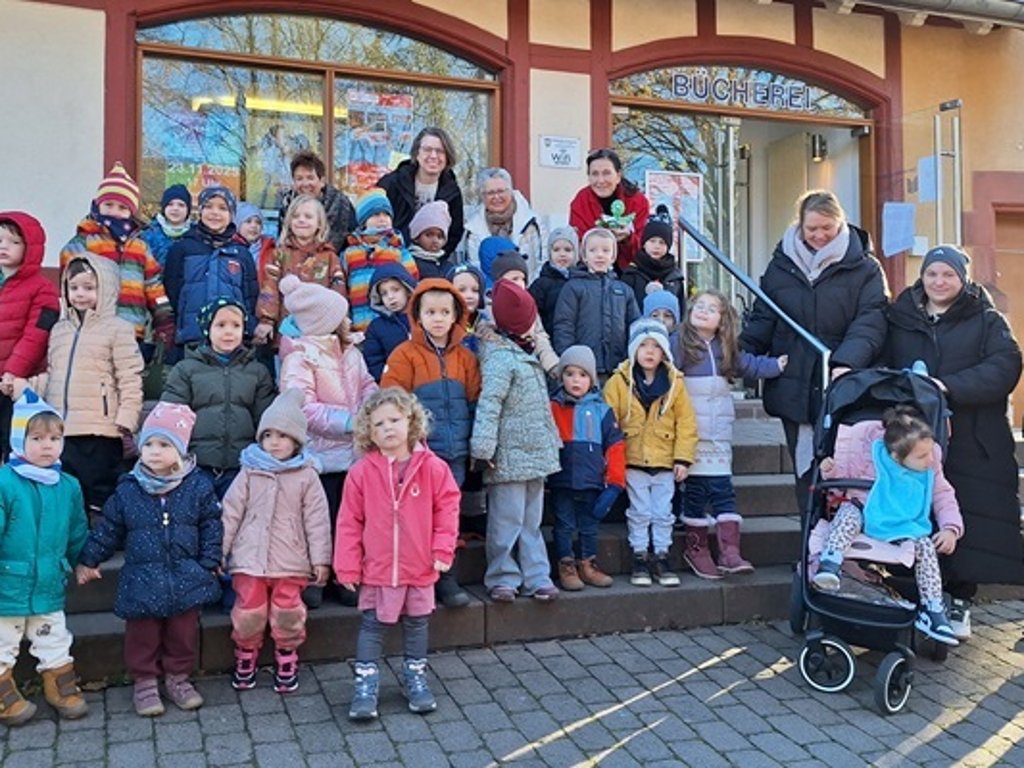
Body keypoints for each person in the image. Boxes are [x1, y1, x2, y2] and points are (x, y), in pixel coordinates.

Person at [884, 244, 1024, 640]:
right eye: (932, 274)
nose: (939, 281)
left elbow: (1005, 366)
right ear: (922, 277)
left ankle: (960, 599)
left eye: (948, 275)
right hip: (915, 437)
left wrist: (947, 387)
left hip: (973, 441)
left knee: (967, 522)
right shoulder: (900, 317)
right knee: (917, 517)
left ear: (963, 279)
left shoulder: (987, 319)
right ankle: (920, 598)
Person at [739, 190, 887, 513]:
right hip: (794, 385)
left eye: (827, 227)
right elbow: (765, 317)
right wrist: (738, 353)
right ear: (800, 225)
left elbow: (871, 320)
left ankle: (841, 539)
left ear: (841, 223)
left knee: (845, 470)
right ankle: (810, 540)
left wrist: (846, 361)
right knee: (805, 473)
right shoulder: (781, 265)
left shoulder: (865, 268)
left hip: (843, 385)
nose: (819, 235)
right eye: (812, 229)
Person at [76, 402, 223, 717]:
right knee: (142, 635)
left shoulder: (197, 486)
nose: (154, 452)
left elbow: (211, 525)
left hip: (186, 577)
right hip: (142, 579)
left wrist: (208, 563)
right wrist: (90, 559)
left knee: (183, 633)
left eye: (164, 445)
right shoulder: (129, 490)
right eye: (149, 444)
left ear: (181, 450)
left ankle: (178, 678)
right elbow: (109, 529)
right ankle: (144, 681)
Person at [335, 388, 460, 721]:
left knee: (417, 624)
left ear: (411, 421)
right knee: (372, 625)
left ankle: (415, 677)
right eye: (378, 424)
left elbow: (448, 510)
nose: (387, 428)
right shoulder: (361, 473)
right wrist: (347, 565)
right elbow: (349, 521)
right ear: (369, 432)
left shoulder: (434, 468)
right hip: (378, 568)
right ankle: (365, 684)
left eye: (394, 419)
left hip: (419, 565)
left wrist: (442, 548)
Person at [812, 407, 963, 646]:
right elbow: (844, 478)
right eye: (921, 456)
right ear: (896, 457)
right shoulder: (874, 457)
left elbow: (943, 496)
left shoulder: (930, 466)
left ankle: (932, 609)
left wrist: (950, 528)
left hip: (905, 524)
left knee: (925, 545)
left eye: (929, 453)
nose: (930, 460)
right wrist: (831, 471)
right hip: (867, 514)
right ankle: (830, 562)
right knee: (849, 511)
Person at [221, 389, 332, 693]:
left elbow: (317, 520)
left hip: (291, 559)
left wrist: (320, 559)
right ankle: (246, 652)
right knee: (248, 610)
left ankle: (287, 653)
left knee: (288, 611)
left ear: (297, 441)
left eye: (282, 435)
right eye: (268, 435)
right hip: (250, 558)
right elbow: (230, 512)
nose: (274, 442)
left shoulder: (307, 476)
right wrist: (221, 550)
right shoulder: (249, 471)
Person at [278, 275, 377, 606]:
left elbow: (367, 384)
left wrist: (372, 408)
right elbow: (302, 407)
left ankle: (346, 575)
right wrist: (349, 422)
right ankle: (315, 577)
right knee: (320, 520)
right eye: (341, 316)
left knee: (351, 520)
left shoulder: (351, 352)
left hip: (354, 453)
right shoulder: (301, 357)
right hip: (320, 457)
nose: (347, 320)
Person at [381, 279, 481, 608]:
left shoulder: (465, 358)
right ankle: (417, 576)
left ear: (455, 316)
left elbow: (474, 402)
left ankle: (446, 573)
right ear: (418, 316)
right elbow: (392, 401)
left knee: (448, 515)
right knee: (417, 516)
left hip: (455, 453)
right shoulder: (405, 355)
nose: (438, 319)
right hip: (421, 454)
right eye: (430, 312)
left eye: (444, 312)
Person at [673, 290, 785, 579]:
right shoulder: (680, 344)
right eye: (699, 306)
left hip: (719, 434)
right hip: (691, 435)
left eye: (712, 309)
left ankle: (730, 552)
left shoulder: (726, 349)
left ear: (722, 320)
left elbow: (750, 364)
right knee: (696, 492)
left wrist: (777, 365)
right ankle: (696, 549)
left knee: (723, 491)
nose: (703, 310)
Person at [0, 390, 89, 726]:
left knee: (53, 637)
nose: (47, 446)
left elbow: (77, 529)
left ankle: (60, 687)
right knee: (3, 641)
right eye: (36, 439)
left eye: (54, 438)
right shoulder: (5, 482)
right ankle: (4, 696)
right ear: (19, 440)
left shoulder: (68, 486)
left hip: (49, 581)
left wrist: (83, 560)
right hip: (7, 583)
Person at [471, 281, 562, 602]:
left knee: (531, 521)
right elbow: (489, 404)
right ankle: (503, 576)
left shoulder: (526, 350)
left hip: (535, 453)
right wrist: (483, 448)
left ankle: (537, 575)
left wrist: (552, 441)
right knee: (506, 521)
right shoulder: (500, 357)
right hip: (508, 456)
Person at [44, 255, 144, 521]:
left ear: (106, 289)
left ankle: (100, 538)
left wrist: (127, 419)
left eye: (89, 288)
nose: (80, 294)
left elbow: (130, 377)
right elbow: (54, 375)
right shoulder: (60, 330)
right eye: (73, 287)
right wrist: (25, 386)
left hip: (101, 429)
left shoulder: (118, 329)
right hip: (64, 428)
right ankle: (73, 538)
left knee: (100, 493)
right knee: (69, 494)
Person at [604, 319, 697, 587]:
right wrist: (611, 459)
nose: (649, 351)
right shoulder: (619, 382)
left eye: (656, 346)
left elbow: (686, 423)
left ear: (664, 351)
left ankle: (662, 555)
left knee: (663, 512)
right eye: (643, 345)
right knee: (639, 511)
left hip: (664, 459)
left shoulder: (675, 383)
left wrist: (683, 458)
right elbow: (609, 419)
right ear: (633, 349)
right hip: (632, 459)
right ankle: (640, 555)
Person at [161, 299, 276, 499]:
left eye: (236, 325)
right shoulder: (186, 370)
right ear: (207, 329)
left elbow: (265, 420)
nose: (229, 332)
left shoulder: (257, 372)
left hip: (241, 467)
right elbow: (171, 416)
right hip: (197, 466)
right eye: (220, 325)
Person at [59, 162, 176, 347]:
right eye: (109, 205)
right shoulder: (84, 243)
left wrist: (164, 317)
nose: (114, 212)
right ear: (98, 205)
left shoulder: (139, 246)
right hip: (92, 332)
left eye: (122, 208)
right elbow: (68, 286)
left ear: (131, 212)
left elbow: (153, 285)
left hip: (131, 331)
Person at [548, 346, 625, 591]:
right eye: (569, 374)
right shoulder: (553, 407)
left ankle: (587, 564)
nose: (575, 380)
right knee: (563, 525)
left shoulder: (603, 410)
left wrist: (614, 484)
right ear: (561, 377)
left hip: (592, 480)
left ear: (592, 379)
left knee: (589, 526)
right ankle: (566, 565)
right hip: (562, 480)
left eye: (582, 375)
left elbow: (615, 448)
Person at [163, 187, 259, 358]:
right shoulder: (182, 248)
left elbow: (250, 296)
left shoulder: (241, 253)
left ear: (232, 214)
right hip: (192, 337)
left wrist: (248, 329)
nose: (215, 213)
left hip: (231, 339)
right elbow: (172, 290)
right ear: (200, 211)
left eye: (222, 208)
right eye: (208, 207)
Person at [0, 211, 60, 461]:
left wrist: (13, 373)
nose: (4, 247)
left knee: (12, 441)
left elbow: (36, 335)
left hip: (14, 383)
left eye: (14, 242)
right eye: (0, 240)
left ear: (30, 248)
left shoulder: (43, 289)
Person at [254, 194, 346, 346]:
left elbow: (338, 291)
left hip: (321, 331)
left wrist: (341, 322)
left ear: (319, 224)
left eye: (308, 216)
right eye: (295, 216)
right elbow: (269, 288)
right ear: (289, 222)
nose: (301, 220)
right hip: (287, 330)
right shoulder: (279, 254)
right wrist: (266, 320)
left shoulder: (330, 257)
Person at [553, 228, 640, 379]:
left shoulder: (624, 291)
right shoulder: (573, 287)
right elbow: (564, 325)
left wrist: (629, 359)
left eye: (606, 250)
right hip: (583, 370)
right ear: (584, 256)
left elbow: (635, 326)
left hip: (618, 368)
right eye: (593, 250)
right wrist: (570, 360)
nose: (600, 255)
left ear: (613, 256)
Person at [377, 126, 464, 256]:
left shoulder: (452, 192)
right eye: (427, 149)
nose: (433, 156)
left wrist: (438, 258)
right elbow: (374, 221)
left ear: (447, 157)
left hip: (433, 259)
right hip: (392, 256)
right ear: (417, 153)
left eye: (440, 151)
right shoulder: (392, 183)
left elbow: (454, 233)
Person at [342, 188, 420, 332]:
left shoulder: (397, 251)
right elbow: (344, 288)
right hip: (358, 326)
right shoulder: (350, 253)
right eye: (376, 214)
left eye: (386, 214)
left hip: (392, 324)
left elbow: (413, 284)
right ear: (364, 221)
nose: (382, 218)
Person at [569, 148, 650, 271]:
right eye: (595, 174)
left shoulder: (638, 202)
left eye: (606, 173)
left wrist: (628, 238)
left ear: (618, 176)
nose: (600, 180)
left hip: (631, 271)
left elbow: (645, 248)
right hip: (591, 270)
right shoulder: (581, 201)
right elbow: (578, 245)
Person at [479, 250, 559, 374]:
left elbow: (540, 337)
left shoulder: (528, 306)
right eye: (514, 279)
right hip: (501, 368)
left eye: (523, 279)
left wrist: (552, 365)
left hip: (529, 367)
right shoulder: (487, 308)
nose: (520, 283)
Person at [461, 167, 546, 279]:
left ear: (510, 191)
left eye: (501, 191)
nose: (496, 197)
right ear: (482, 196)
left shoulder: (533, 223)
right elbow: (474, 269)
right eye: (490, 193)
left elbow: (543, 262)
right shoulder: (473, 229)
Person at [278, 150, 356, 254]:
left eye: (310, 178)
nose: (305, 184)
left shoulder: (341, 204)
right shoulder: (287, 205)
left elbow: (353, 241)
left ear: (322, 181)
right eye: (299, 179)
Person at [621, 205, 686, 313]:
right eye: (652, 241)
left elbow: (681, 309)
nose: (657, 246)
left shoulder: (675, 277)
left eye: (662, 242)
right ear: (644, 243)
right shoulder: (631, 273)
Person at [363, 263, 417, 382]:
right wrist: (388, 381)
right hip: (395, 385)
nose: (390, 297)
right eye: (384, 293)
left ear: (407, 289)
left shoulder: (422, 319)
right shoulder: (376, 328)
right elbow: (373, 361)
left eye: (395, 290)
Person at [529, 226, 579, 336]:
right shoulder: (541, 285)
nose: (562, 254)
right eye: (556, 250)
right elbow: (532, 315)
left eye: (568, 250)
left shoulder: (583, 281)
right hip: (550, 338)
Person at [140, 184, 193, 268]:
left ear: (188, 210)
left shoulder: (196, 235)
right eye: (170, 204)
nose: (175, 208)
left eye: (181, 205)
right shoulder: (148, 235)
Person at [446, 263, 488, 356]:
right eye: (461, 290)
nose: (469, 296)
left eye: (475, 290)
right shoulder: (445, 325)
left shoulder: (485, 323)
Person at [407, 200, 455, 279]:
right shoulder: (409, 263)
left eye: (439, 236)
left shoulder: (448, 267)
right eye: (429, 235)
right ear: (416, 237)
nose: (435, 240)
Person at [233, 202, 274, 269]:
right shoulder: (230, 249)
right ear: (238, 225)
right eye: (248, 221)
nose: (254, 226)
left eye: (258, 222)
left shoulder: (270, 249)